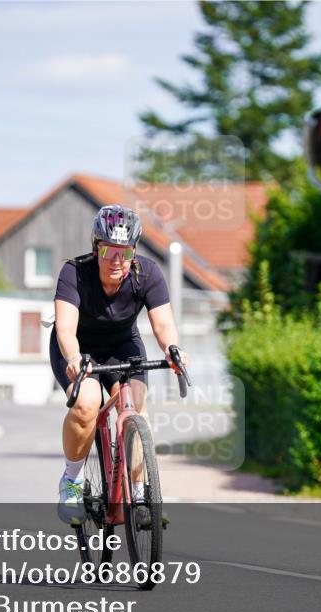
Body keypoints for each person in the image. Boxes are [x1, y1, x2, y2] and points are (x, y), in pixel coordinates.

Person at [51, 204, 188, 523]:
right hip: (78, 346)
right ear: (96, 247)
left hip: (122, 345)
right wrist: (73, 358)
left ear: (134, 251)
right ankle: (72, 481)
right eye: (110, 251)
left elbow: (164, 326)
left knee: (136, 407)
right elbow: (65, 328)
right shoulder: (74, 272)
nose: (117, 260)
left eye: (125, 253)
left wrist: (172, 349)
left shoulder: (148, 273)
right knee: (88, 401)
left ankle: (139, 494)